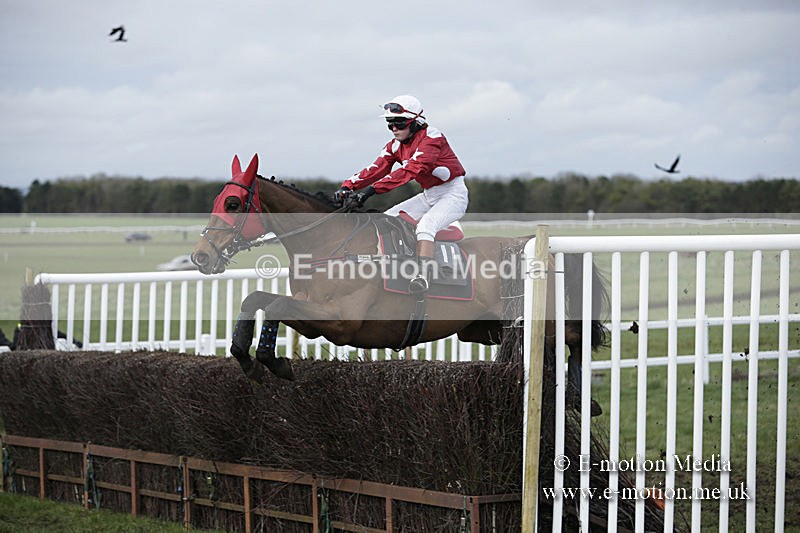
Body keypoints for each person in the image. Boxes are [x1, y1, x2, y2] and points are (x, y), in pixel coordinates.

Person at [335, 95, 468, 296]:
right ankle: (396, 266)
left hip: (453, 195)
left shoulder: (433, 138)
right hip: (429, 195)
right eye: (390, 125)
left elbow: (410, 170)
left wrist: (371, 191)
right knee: (387, 220)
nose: (394, 129)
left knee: (426, 226)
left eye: (399, 123)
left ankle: (423, 275)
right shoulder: (395, 145)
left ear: (415, 122)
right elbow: (376, 168)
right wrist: (348, 186)